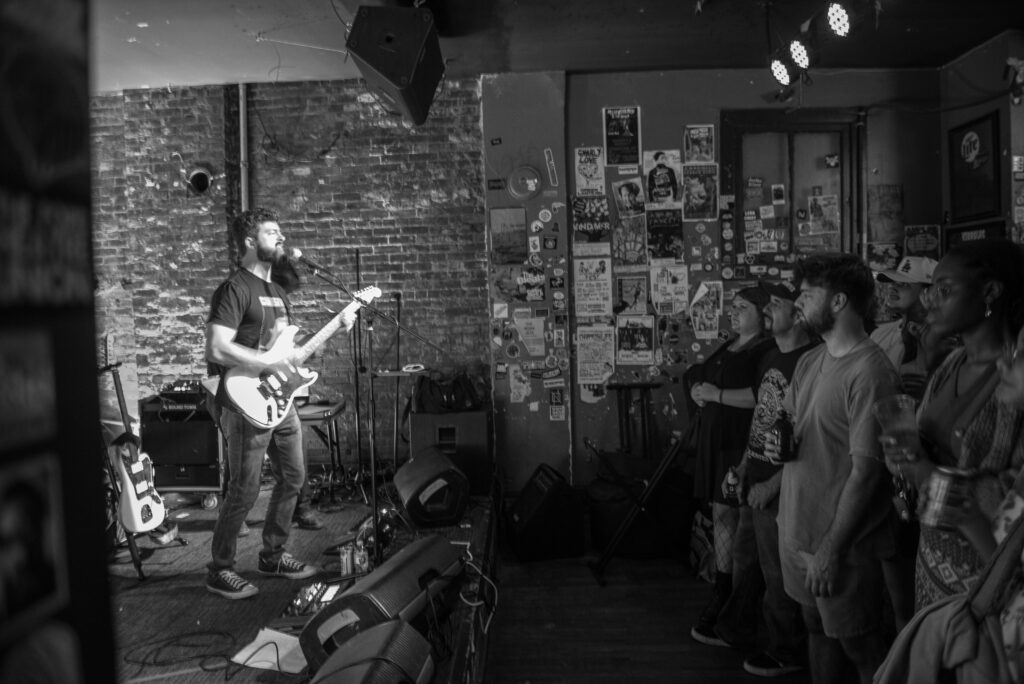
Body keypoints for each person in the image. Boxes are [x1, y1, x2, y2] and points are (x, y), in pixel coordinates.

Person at [204, 207, 354, 599]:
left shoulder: (277, 293)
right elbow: (218, 347)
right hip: (243, 401)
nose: (282, 238)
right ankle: (219, 569)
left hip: (278, 399)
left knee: (294, 476)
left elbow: (285, 356)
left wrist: (339, 324)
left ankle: (273, 554)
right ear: (251, 241)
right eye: (273, 233)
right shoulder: (235, 288)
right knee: (245, 489)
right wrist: (267, 361)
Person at [771, 252, 901, 684]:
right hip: (798, 530)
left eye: (808, 294)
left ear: (840, 300)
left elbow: (868, 474)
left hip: (842, 545)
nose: (799, 303)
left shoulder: (870, 371)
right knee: (815, 629)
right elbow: (793, 432)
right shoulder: (811, 360)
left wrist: (830, 549)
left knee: (860, 645)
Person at [879, 239, 1024, 611]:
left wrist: (927, 473)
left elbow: (1013, 495)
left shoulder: (1015, 380)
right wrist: (904, 458)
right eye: (931, 291)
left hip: (988, 584)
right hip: (931, 562)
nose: (930, 301)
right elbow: (923, 452)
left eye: (945, 290)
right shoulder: (951, 364)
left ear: (990, 292)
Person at [692, 279, 818, 678]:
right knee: (753, 560)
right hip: (753, 467)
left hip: (782, 482)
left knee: (780, 571)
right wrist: (747, 465)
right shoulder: (771, 358)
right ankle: (740, 627)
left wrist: (772, 482)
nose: (763, 312)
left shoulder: (808, 361)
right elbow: (764, 418)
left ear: (797, 313)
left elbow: (807, 436)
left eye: (770, 305)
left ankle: (788, 650)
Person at [686, 287, 774, 642]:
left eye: (742, 307)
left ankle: (737, 602)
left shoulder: (764, 349)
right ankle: (722, 591)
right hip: (715, 441)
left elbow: (761, 397)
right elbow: (704, 375)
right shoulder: (731, 344)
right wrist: (698, 390)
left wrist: (714, 395)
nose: (733, 313)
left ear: (762, 313)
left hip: (739, 444)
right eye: (732, 307)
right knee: (721, 515)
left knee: (740, 523)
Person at [871, 256, 953, 399]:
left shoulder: (939, 339)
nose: (892, 288)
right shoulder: (879, 333)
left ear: (927, 292)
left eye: (903, 284)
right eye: (893, 282)